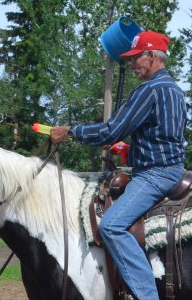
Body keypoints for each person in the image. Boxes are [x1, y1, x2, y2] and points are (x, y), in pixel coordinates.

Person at [51, 30, 187, 300]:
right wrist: (129, 149)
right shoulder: (175, 89)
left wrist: (70, 132)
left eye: (136, 58)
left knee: (111, 226)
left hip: (154, 175)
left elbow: (111, 130)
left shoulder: (149, 90)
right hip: (174, 168)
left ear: (151, 56)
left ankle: (147, 295)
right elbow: (163, 137)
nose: (132, 64)